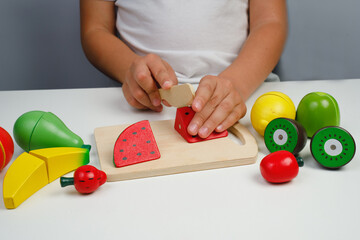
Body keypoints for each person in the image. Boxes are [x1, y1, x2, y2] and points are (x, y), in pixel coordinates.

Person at [80, 0, 287, 138]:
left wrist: (236, 85)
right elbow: (95, 29)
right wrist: (131, 70)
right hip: (139, 101)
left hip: (244, 93)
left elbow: (270, 21)